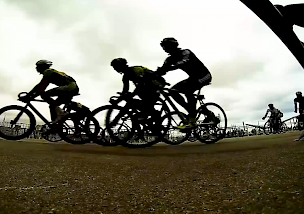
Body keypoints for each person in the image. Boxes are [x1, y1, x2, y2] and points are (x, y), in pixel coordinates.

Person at [155, 37, 212, 129]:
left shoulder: (186, 52)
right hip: (193, 78)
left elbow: (184, 62)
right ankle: (191, 111)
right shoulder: (169, 59)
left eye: (165, 46)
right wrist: (154, 74)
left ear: (172, 46)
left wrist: (171, 67)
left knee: (188, 91)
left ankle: (192, 117)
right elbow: (162, 71)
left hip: (204, 76)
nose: (164, 49)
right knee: (172, 91)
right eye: (163, 47)